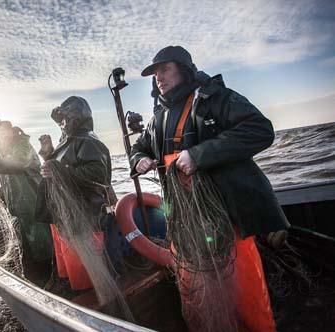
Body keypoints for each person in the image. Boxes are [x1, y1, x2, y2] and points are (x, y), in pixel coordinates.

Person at [130, 46, 290, 331]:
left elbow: (260, 129)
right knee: (197, 290)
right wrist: (140, 159)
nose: (158, 78)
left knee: (244, 292)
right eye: (155, 73)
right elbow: (137, 148)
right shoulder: (158, 118)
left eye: (164, 69)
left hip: (226, 217)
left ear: (183, 68)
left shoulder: (214, 97)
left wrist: (199, 155)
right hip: (184, 222)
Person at [35, 96, 117, 290]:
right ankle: (72, 285)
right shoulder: (68, 141)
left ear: (75, 117)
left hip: (85, 213)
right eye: (59, 120)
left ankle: (89, 294)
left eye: (64, 119)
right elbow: (61, 166)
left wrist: (58, 170)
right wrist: (48, 155)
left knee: (85, 268)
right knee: (70, 261)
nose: (61, 124)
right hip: (65, 213)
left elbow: (99, 174)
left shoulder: (88, 141)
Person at [0, 120, 52, 278]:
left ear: (12, 131)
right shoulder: (1, 152)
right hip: (16, 206)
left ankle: (51, 271)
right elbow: (6, 181)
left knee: (41, 239)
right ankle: (34, 274)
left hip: (33, 200)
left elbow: (19, 162)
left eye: (7, 130)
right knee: (25, 243)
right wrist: (1, 199)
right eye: (0, 131)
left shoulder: (22, 146)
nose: (4, 133)